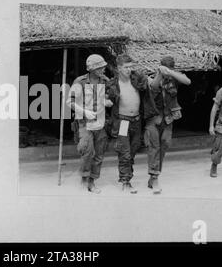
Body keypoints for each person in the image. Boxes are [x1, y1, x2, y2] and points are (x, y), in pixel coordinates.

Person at [144, 56, 191, 194]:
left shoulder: (174, 78)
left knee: (164, 145)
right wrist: (160, 73)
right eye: (166, 68)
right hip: (154, 118)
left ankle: (154, 177)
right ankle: (155, 177)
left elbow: (187, 81)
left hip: (168, 118)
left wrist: (170, 73)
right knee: (154, 146)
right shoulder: (151, 77)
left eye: (170, 68)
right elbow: (153, 87)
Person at [67, 54, 113, 194]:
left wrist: (107, 101)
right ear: (91, 69)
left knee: (99, 153)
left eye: (103, 67)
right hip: (84, 122)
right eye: (99, 67)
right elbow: (70, 102)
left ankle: (92, 181)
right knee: (87, 150)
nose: (102, 70)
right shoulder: (80, 82)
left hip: (100, 122)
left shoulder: (105, 81)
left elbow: (108, 97)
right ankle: (84, 177)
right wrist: (85, 111)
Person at [106, 54, 148, 194]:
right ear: (119, 68)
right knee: (125, 152)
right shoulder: (113, 84)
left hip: (136, 121)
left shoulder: (137, 80)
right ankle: (126, 180)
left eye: (131, 67)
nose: (129, 70)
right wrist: (106, 102)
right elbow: (105, 98)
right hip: (123, 122)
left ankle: (127, 175)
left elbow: (149, 86)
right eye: (126, 67)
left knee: (134, 149)